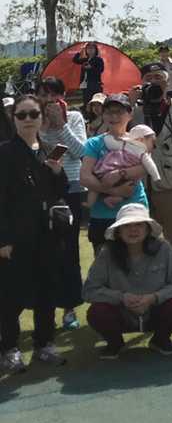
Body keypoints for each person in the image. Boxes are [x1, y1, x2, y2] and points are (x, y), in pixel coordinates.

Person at [0, 94, 71, 371]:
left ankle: (44, 344)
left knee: (46, 291)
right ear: (13, 118)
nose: (28, 119)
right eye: (21, 115)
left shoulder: (50, 149)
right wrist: (3, 239)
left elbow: (61, 191)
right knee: (11, 294)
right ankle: (9, 348)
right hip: (16, 235)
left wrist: (57, 173)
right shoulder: (5, 153)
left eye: (33, 114)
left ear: (42, 117)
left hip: (48, 233)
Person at [83, 202, 172, 358]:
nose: (133, 230)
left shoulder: (164, 248)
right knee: (96, 312)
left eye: (139, 224)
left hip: (155, 311)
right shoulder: (106, 253)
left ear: (148, 229)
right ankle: (114, 343)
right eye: (127, 225)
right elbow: (89, 290)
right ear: (118, 231)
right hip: (121, 313)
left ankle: (160, 340)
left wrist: (154, 298)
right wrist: (122, 298)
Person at [39, 85, 88, 330]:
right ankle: (44, 308)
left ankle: (70, 308)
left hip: (72, 189)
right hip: (42, 192)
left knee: (69, 250)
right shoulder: (33, 118)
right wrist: (45, 128)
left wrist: (61, 126)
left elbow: (81, 152)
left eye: (54, 94)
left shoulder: (75, 117)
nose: (49, 99)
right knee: (43, 251)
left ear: (63, 96)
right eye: (44, 94)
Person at [132, 63, 172, 257]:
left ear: (168, 82)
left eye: (158, 77)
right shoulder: (134, 111)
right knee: (145, 244)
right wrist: (130, 103)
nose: (153, 82)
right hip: (142, 187)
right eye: (148, 79)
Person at [79, 95, 150, 252]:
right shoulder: (94, 143)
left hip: (134, 211)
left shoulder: (138, 141)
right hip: (102, 215)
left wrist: (120, 173)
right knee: (105, 262)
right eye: (109, 112)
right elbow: (84, 177)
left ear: (130, 114)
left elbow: (145, 167)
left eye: (119, 112)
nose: (114, 116)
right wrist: (114, 190)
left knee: (139, 261)